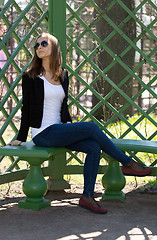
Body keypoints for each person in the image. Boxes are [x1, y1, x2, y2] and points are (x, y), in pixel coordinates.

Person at [9, 33, 152, 214]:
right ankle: (128, 163)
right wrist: (21, 137)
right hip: (43, 133)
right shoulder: (30, 76)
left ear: (54, 47)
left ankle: (87, 196)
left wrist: (69, 127)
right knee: (91, 127)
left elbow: (63, 107)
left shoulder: (63, 75)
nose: (39, 47)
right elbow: (26, 109)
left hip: (59, 129)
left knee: (93, 147)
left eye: (43, 43)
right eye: (36, 45)